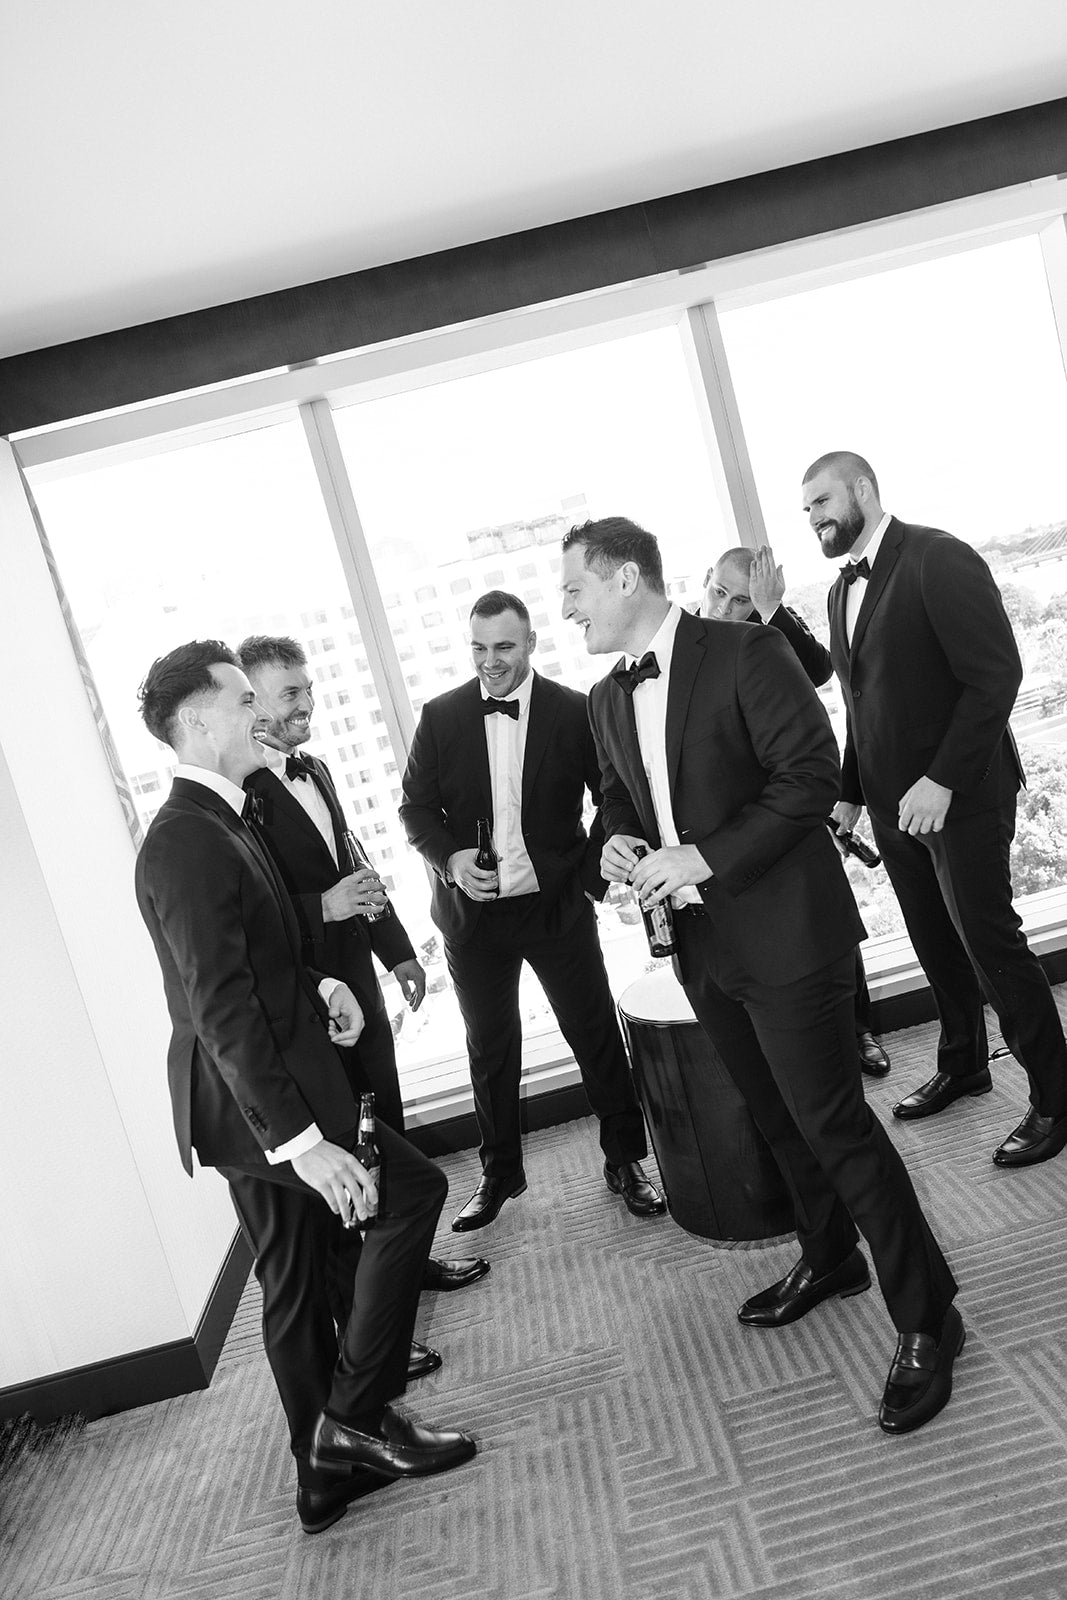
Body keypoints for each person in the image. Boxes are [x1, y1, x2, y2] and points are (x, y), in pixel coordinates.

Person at [564, 518, 962, 1436]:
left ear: (626, 579)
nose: (568, 610)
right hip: (702, 949)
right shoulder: (604, 696)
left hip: (789, 935)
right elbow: (622, 798)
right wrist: (614, 845)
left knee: (834, 1124)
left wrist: (701, 857)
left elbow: (810, 776)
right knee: (775, 1117)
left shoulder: (745, 651)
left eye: (575, 591)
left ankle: (928, 1315)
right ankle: (828, 1257)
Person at [134, 641, 475, 1536]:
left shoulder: (228, 817)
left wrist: (321, 985)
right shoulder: (183, 841)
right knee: (412, 1195)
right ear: (199, 722)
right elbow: (221, 1010)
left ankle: (321, 1477)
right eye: (244, 698)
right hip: (259, 1104)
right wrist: (302, 1143)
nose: (261, 712)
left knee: (288, 1281)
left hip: (260, 1086)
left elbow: (260, 956)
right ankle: (354, 1422)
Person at [806, 450, 1067, 1166]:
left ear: (862, 490)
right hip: (894, 809)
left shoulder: (937, 558)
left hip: (964, 797)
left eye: (822, 501)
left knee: (990, 948)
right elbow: (861, 710)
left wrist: (943, 780)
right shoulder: (837, 593)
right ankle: (964, 1062)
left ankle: (1054, 1096)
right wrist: (849, 796)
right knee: (933, 943)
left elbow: (995, 676)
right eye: (806, 511)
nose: (814, 519)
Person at [236, 633, 491, 1337]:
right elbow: (256, 920)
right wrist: (324, 908)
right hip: (310, 1004)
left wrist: (398, 951)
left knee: (388, 1126)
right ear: (251, 700)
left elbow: (353, 864)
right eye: (291, 692)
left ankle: (406, 1264)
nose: (306, 703)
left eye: (308, 688)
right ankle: (365, 1320)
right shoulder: (241, 799)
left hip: (360, 986)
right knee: (349, 1154)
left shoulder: (313, 769)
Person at [399, 590, 664, 1232]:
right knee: (490, 1048)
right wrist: (452, 861)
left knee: (593, 1031)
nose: (491, 662)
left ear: (532, 644)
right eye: (479, 648)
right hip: (474, 917)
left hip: (555, 906)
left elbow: (612, 795)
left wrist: (589, 873)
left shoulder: (574, 711)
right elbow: (415, 810)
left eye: (504, 648)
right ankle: (499, 1174)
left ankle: (625, 1159)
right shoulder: (440, 716)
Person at [702, 545, 890, 1077]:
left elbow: (818, 670)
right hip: (721, 818)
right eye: (719, 592)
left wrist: (771, 608)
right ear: (704, 581)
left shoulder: (765, 632)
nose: (725, 608)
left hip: (786, 806)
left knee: (824, 922)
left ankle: (860, 1030)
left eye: (740, 600)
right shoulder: (679, 646)